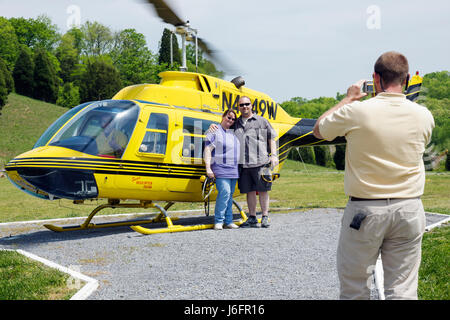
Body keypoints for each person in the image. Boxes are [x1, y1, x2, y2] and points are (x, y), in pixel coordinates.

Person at [313, 51, 435, 300]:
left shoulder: (357, 111)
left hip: (365, 209)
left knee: (355, 287)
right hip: (409, 208)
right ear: (407, 78)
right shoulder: (424, 115)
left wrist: (348, 99)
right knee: (402, 290)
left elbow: (319, 130)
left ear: (375, 78)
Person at [234, 96, 278, 228]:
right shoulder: (236, 123)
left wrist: (274, 155)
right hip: (244, 164)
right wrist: (214, 126)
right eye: (241, 105)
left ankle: (265, 216)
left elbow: (271, 138)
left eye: (247, 104)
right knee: (249, 191)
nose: (244, 107)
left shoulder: (262, 121)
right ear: (238, 107)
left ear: (251, 105)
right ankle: (252, 217)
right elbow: (223, 125)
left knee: (263, 190)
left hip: (261, 162)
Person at [204, 109, 241, 230]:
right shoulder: (214, 130)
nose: (230, 120)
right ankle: (219, 221)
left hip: (233, 169)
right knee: (224, 193)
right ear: (223, 116)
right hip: (220, 168)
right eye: (228, 117)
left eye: (233, 119)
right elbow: (207, 150)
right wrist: (208, 167)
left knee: (229, 196)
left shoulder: (233, 133)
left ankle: (228, 221)